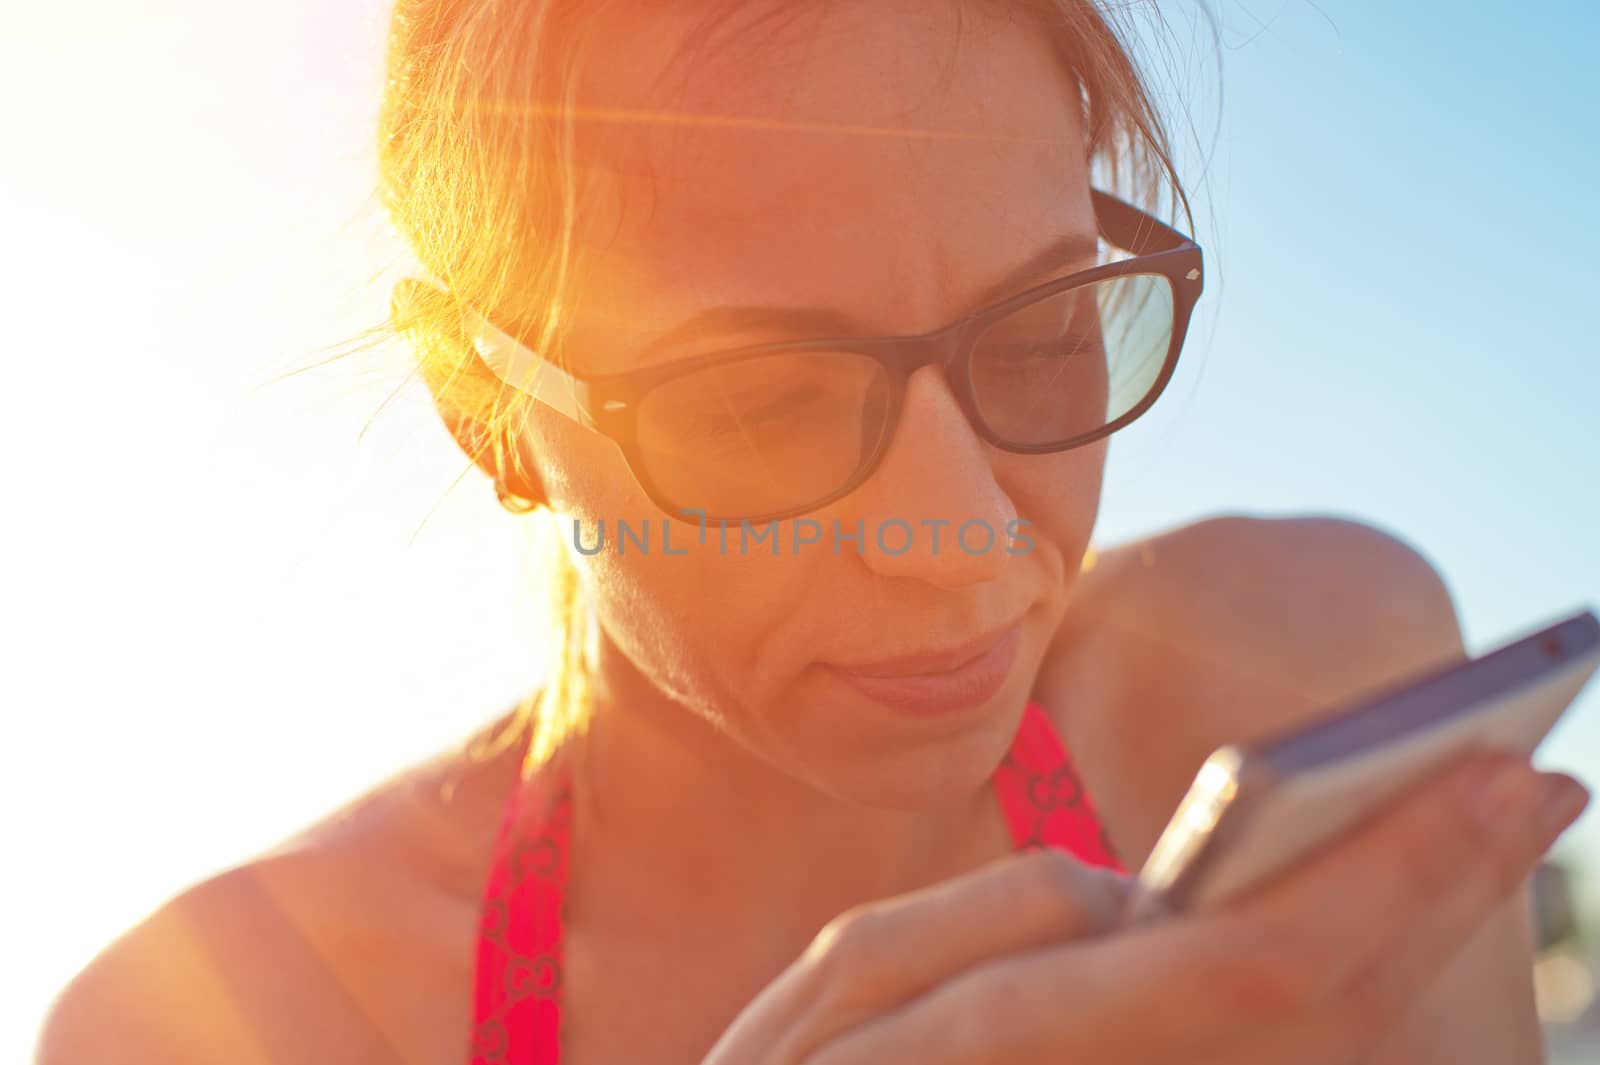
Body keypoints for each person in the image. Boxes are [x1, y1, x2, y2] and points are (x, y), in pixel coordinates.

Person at [36, 1, 1590, 1063]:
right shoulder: (225, 1023)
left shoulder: (1301, 666)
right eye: (761, 394)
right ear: (487, 410)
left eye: (1042, 329)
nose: (959, 532)